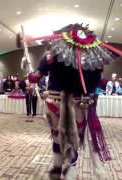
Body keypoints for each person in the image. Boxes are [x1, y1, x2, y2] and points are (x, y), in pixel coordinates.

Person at [28, 24, 120, 179]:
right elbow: (99, 82)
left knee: (59, 137)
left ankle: (61, 168)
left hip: (56, 103)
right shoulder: (92, 59)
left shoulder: (51, 56)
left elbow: (35, 77)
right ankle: (69, 170)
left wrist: (31, 75)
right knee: (73, 139)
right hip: (81, 105)